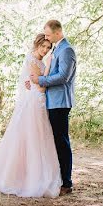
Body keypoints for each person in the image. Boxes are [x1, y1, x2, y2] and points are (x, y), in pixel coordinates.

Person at [0, 34, 62, 197]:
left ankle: (30, 175)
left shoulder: (38, 60)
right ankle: (24, 178)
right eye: (43, 46)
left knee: (37, 139)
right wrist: (48, 68)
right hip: (34, 103)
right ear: (36, 44)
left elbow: (35, 82)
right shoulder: (33, 60)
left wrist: (40, 78)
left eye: (48, 48)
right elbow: (41, 88)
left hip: (36, 101)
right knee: (30, 139)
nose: (45, 50)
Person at [29, 19, 76, 194]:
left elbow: (63, 77)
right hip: (52, 101)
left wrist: (40, 80)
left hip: (60, 102)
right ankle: (58, 178)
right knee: (55, 141)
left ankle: (67, 183)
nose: (46, 37)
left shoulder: (67, 50)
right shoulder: (57, 48)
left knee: (62, 142)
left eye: (48, 34)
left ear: (58, 32)